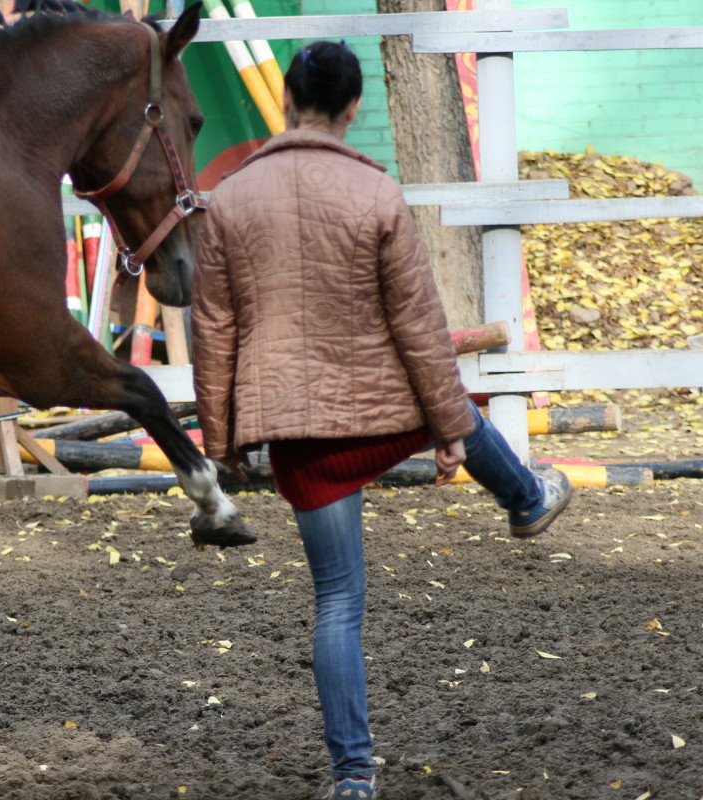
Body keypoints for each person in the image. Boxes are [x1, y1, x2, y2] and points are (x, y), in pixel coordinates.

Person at [189, 40, 573, 800]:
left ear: (288, 102)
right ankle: (525, 498)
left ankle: (354, 777)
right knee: (450, 404)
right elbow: (420, 328)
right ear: (354, 107)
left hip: (297, 433)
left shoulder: (229, 199)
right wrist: (450, 433)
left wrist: (221, 441)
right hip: (381, 411)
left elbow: (212, 329)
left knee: (337, 602)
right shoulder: (376, 194)